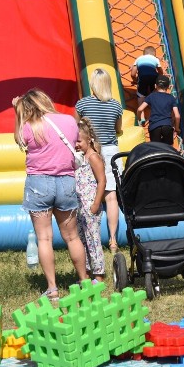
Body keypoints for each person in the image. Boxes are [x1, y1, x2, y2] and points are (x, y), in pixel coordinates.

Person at [12, 88, 89, 302]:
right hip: (66, 181)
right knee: (72, 237)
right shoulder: (69, 121)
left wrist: (16, 112)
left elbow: (19, 140)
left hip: (39, 184)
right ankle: (84, 281)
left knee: (44, 238)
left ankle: (53, 288)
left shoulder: (29, 126)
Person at [75, 69, 124, 253]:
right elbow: (118, 129)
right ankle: (112, 240)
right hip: (110, 150)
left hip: (91, 150)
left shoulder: (82, 104)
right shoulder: (115, 106)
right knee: (111, 196)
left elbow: (77, 129)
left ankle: (88, 239)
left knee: (87, 193)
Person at [74, 117, 107, 282]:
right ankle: (85, 272)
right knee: (81, 240)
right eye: (74, 142)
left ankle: (99, 274)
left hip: (90, 206)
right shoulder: (80, 158)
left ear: (88, 140)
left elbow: (102, 181)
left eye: (79, 141)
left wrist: (96, 203)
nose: (76, 145)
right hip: (80, 206)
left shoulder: (93, 157)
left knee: (93, 240)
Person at [137, 74, 180, 145]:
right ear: (168, 87)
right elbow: (177, 116)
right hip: (167, 125)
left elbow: (140, 109)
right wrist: (177, 128)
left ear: (155, 86)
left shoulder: (151, 96)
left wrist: (139, 119)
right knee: (168, 147)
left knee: (156, 148)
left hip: (154, 127)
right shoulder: (171, 98)